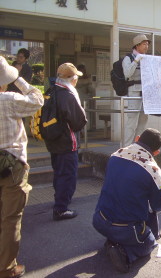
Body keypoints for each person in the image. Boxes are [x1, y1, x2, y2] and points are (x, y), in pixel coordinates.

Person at [93, 128, 161, 273]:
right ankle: (125, 253)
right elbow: (158, 205)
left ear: (138, 138)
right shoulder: (153, 170)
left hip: (99, 219)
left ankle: (112, 240)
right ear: (156, 152)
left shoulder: (115, 155)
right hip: (127, 229)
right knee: (150, 243)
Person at [0, 56, 43, 278]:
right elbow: (38, 100)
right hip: (11, 164)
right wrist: (20, 79)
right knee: (10, 218)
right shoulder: (8, 99)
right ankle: (6, 268)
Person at [43, 63, 87, 221]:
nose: (76, 80)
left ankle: (59, 200)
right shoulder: (68, 95)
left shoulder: (51, 90)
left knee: (59, 173)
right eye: (76, 77)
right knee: (67, 175)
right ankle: (61, 209)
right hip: (67, 142)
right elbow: (78, 122)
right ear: (72, 78)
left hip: (53, 140)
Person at [122, 34, 151, 147]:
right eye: (144, 44)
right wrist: (136, 61)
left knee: (143, 120)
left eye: (147, 44)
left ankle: (138, 146)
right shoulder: (128, 58)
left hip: (146, 92)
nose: (146, 46)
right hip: (134, 91)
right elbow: (127, 74)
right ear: (137, 45)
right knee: (132, 121)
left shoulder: (147, 58)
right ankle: (126, 147)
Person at [76, 64, 95, 130]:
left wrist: (89, 83)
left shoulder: (86, 80)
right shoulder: (75, 79)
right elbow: (78, 83)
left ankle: (84, 131)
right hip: (77, 101)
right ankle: (81, 131)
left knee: (84, 117)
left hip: (84, 101)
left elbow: (92, 89)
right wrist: (88, 80)